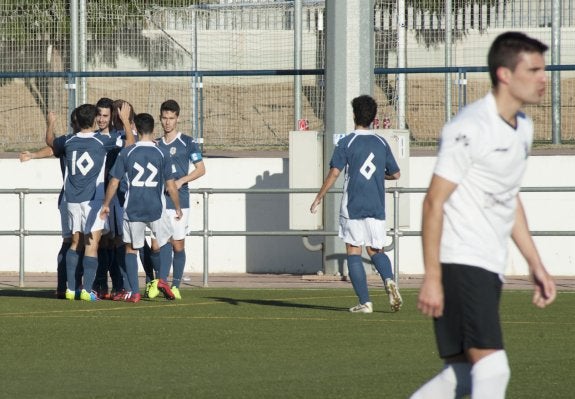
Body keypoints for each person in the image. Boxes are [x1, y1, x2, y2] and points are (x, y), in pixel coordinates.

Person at [410, 31, 557, 399]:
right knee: (493, 369)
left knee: (461, 376)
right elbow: (433, 202)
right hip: (461, 261)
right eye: (535, 69)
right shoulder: (469, 126)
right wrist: (432, 277)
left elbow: (509, 198)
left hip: (488, 264)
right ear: (505, 74)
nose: (544, 78)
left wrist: (535, 264)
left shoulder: (523, 127)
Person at [310, 94, 402, 313]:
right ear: (374, 117)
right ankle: (388, 279)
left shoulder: (347, 141)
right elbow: (396, 174)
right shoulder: (381, 142)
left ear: (354, 115)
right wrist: (380, 176)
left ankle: (365, 302)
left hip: (353, 205)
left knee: (353, 250)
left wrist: (319, 197)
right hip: (376, 206)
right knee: (375, 249)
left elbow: (334, 173)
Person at [100, 113, 182, 302]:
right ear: (153, 129)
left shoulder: (127, 152)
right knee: (165, 241)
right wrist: (177, 207)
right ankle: (161, 279)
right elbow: (170, 185)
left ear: (136, 127)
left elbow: (114, 182)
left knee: (131, 249)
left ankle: (135, 292)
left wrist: (105, 204)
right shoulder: (162, 152)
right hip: (156, 207)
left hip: (133, 208)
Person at [62, 102, 135, 301]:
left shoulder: (68, 141)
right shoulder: (102, 140)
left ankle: (70, 289)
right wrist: (127, 122)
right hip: (93, 200)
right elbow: (129, 144)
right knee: (92, 245)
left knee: (75, 243)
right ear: (94, 118)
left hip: (72, 200)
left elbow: (53, 144)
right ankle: (87, 290)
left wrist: (50, 125)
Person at [147, 99, 205, 300]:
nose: (167, 122)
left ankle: (176, 284)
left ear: (177, 119)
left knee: (177, 245)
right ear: (160, 119)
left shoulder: (187, 142)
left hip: (181, 201)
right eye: (164, 118)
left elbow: (201, 169)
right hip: (160, 202)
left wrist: (181, 181)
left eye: (171, 118)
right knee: (156, 245)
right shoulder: (156, 144)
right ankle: (158, 281)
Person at [20, 110, 81, 298]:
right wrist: (33, 155)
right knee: (71, 241)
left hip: (85, 199)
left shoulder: (92, 140)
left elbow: (52, 146)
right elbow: (52, 147)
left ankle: (79, 286)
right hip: (70, 199)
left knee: (81, 243)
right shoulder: (68, 141)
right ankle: (65, 286)